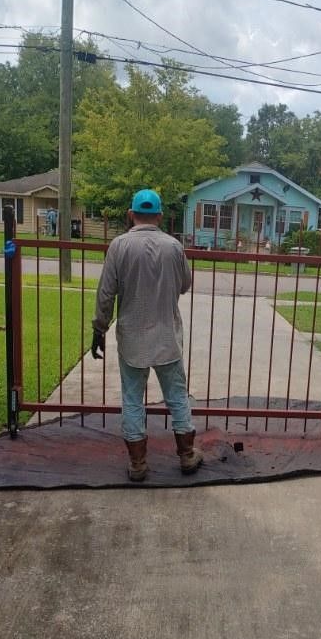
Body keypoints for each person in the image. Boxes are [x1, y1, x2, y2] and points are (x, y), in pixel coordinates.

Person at [91, 188, 203, 481]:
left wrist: (99, 327)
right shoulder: (174, 246)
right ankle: (187, 455)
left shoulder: (118, 246)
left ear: (131, 215)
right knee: (177, 396)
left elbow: (106, 294)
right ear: (160, 216)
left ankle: (138, 464)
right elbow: (185, 285)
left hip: (132, 338)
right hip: (167, 337)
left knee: (132, 399)